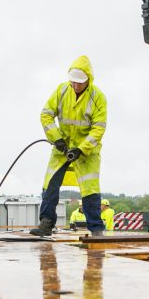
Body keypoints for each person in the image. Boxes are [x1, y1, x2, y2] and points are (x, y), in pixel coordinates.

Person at [30, 56, 107, 237]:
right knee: (50, 185)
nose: (75, 86)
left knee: (90, 189)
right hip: (62, 148)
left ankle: (96, 229)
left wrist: (81, 149)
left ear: (89, 79)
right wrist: (57, 139)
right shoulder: (61, 91)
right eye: (73, 82)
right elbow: (46, 115)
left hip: (87, 152)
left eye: (79, 83)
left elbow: (98, 128)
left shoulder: (98, 98)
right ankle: (46, 223)